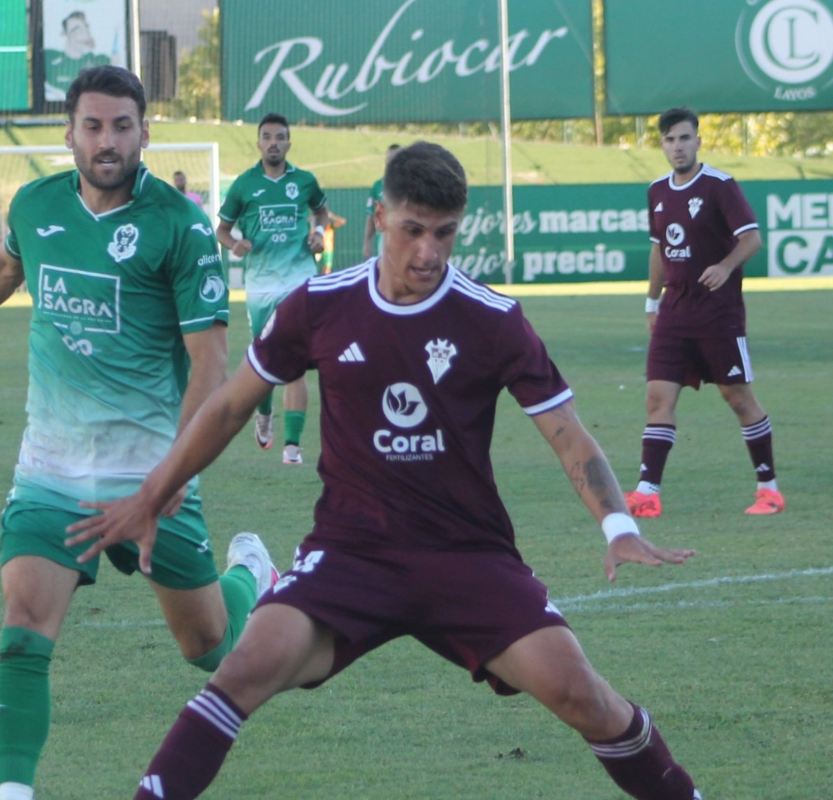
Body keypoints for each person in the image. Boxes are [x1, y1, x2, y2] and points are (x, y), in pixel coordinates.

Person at [68, 142, 703, 800]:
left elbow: (567, 433)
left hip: (465, 555)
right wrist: (152, 493)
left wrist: (617, 525)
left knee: (582, 695)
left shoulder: (492, 320)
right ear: (377, 218)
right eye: (411, 230)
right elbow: (229, 407)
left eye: (444, 233)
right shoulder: (318, 306)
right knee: (244, 666)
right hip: (350, 554)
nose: (427, 252)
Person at [0, 66, 277, 800]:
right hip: (51, 468)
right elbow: (7, 267)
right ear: (68, 133)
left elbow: (210, 361)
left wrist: (170, 479)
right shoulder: (36, 204)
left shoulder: (181, 225)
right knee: (24, 622)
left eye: (121, 126)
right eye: (92, 126)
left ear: (144, 133)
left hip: (149, 473)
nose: (106, 141)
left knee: (206, 647)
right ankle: (11, 790)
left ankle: (251, 572)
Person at [624, 107, 784, 518]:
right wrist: (652, 302)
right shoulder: (657, 191)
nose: (677, 147)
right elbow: (659, 250)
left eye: (684, 138)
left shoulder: (719, 186)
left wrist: (726, 266)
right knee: (657, 398)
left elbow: (752, 239)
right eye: (669, 140)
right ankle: (647, 493)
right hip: (675, 312)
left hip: (718, 313)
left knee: (737, 397)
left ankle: (768, 488)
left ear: (698, 140)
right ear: (662, 145)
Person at [216, 112, 329, 465]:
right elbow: (222, 229)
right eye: (268, 137)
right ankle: (264, 417)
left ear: (289, 142)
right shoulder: (244, 185)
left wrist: (318, 234)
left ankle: (292, 447)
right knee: (266, 360)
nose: (274, 143)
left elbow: (322, 213)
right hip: (261, 284)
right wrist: (234, 245)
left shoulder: (305, 181)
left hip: (299, 279)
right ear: (259, 143)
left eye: (280, 137)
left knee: (296, 359)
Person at [44, 11, 111, 102]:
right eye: (77, 30)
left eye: (86, 27)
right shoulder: (49, 59)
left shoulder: (101, 62)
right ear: (64, 34)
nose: (85, 34)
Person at [362, 143, 401, 261]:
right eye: (389, 160)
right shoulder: (378, 187)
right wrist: (367, 242)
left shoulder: (413, 186)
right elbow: (371, 216)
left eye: (396, 160)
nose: (392, 164)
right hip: (386, 240)